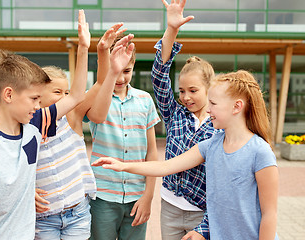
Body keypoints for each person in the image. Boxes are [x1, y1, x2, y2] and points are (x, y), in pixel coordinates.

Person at [92, 70, 279, 240]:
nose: (208, 109)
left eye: (213, 103)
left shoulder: (260, 152)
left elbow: (269, 214)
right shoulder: (211, 146)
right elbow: (166, 167)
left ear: (236, 107)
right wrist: (123, 165)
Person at [0, 10, 89, 240]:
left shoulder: (35, 125)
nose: (39, 105)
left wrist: (84, 48)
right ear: (8, 94)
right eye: (34, 99)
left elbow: (77, 95)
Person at [34, 24, 133, 240]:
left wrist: (99, 50)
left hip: (77, 212)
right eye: (57, 92)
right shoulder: (28, 127)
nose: (64, 97)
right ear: (37, 96)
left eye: (67, 92)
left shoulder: (72, 116)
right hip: (43, 217)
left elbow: (99, 82)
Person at [151, 0, 218, 239]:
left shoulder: (220, 125)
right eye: (181, 91)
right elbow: (159, 76)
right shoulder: (175, 114)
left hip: (202, 212)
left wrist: (207, 225)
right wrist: (171, 29)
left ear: (209, 88)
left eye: (193, 90)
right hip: (169, 207)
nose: (186, 97)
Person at [88, 33, 161, 240]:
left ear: (134, 66)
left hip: (137, 197)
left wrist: (148, 196)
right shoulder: (95, 98)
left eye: (127, 71)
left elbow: (152, 151)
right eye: (117, 71)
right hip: (102, 196)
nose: (121, 78)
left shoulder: (145, 100)